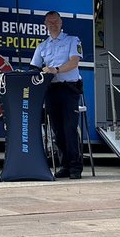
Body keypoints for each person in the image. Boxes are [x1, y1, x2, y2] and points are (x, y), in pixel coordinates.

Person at [30, 10, 84, 179]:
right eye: (49, 22)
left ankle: (75, 167)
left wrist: (56, 70)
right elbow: (34, 67)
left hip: (69, 89)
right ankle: (65, 165)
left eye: (56, 21)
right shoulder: (42, 46)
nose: (53, 24)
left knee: (69, 129)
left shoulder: (72, 40)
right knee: (57, 131)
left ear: (61, 23)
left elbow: (74, 62)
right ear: (45, 25)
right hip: (51, 90)